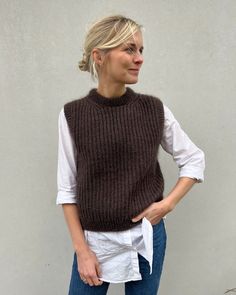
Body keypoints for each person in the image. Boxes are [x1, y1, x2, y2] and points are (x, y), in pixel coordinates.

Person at [56, 15, 205, 295]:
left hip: (145, 240)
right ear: (99, 57)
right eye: (129, 49)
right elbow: (67, 190)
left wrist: (167, 205)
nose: (139, 58)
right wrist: (82, 252)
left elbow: (194, 159)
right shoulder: (73, 115)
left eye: (141, 50)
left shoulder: (153, 110)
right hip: (94, 244)